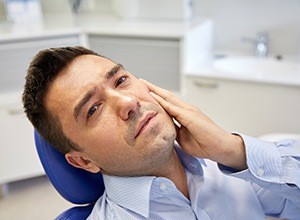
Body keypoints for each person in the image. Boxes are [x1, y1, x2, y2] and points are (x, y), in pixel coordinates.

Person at [23, 46, 300, 220]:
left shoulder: (234, 168)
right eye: (93, 110)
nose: (129, 102)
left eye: (121, 81)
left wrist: (232, 150)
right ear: (84, 162)